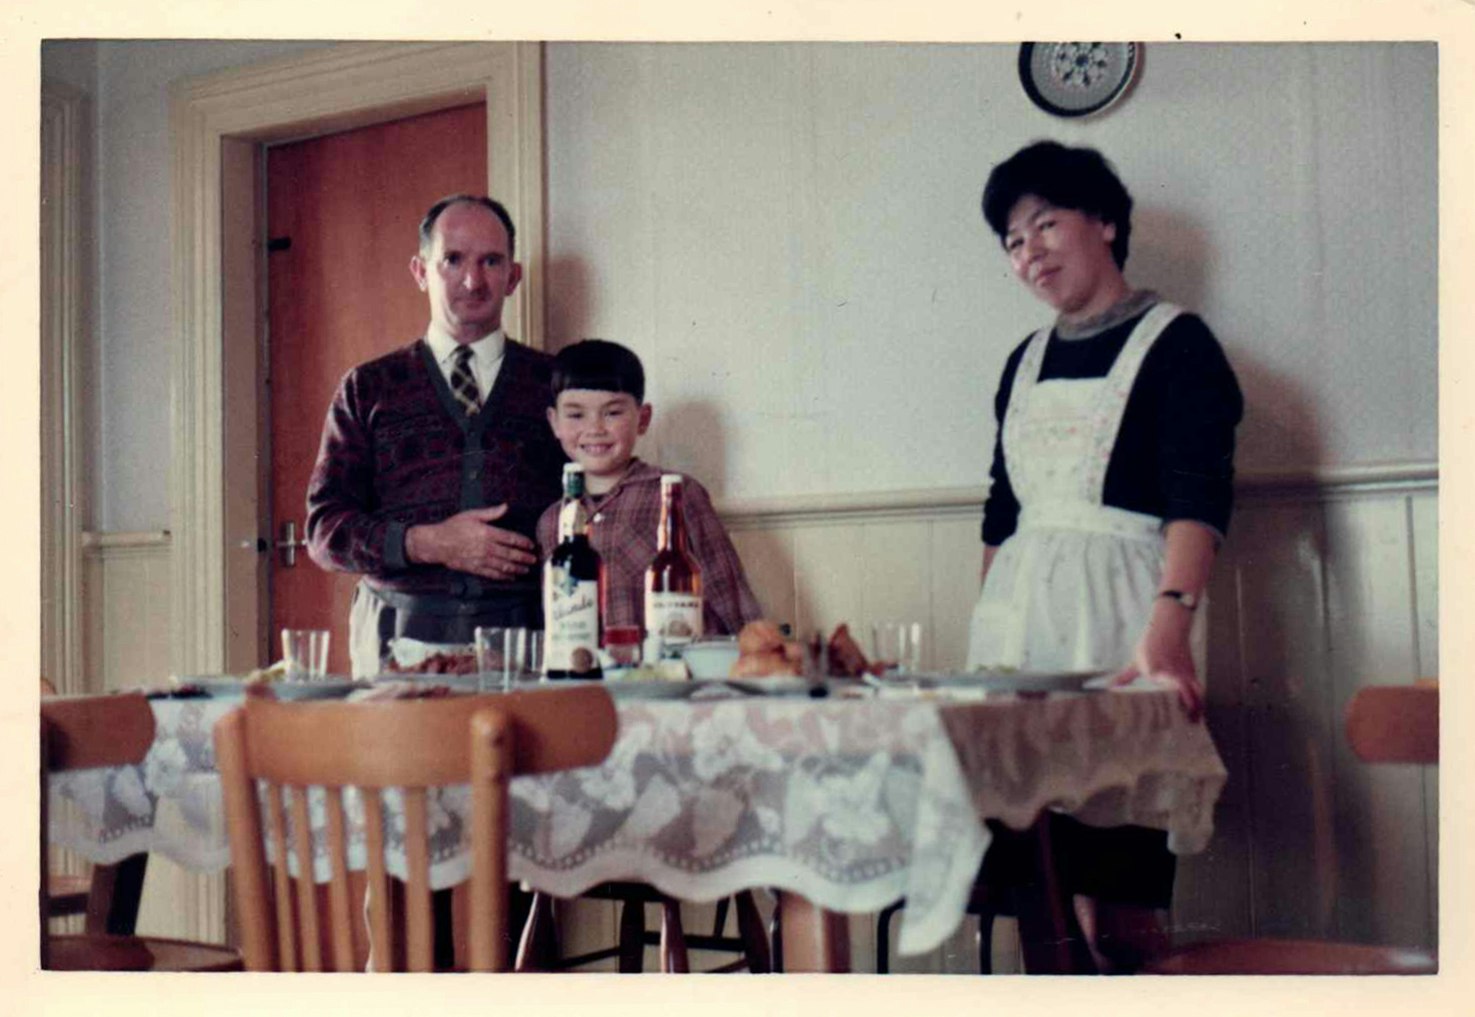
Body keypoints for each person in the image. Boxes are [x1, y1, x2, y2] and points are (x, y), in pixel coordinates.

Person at [966, 141, 1243, 971]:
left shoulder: (1179, 344)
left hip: (1124, 623)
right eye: (1012, 241)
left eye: (1045, 224)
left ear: (1107, 223)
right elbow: (1002, 510)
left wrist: (1169, 627)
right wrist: (987, 636)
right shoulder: (1021, 362)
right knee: (1034, 887)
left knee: (1118, 900)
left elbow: (1199, 495)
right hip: (1018, 637)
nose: (1029, 253)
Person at [306, 195, 567, 677]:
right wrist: (427, 543)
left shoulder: (554, 384)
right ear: (420, 271)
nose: (473, 280)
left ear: (513, 276)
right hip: (395, 638)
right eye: (453, 260)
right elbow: (325, 531)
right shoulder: (367, 387)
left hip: (526, 639)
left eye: (491, 261)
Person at [536, 339, 763, 637]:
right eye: (576, 415)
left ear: (643, 419)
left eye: (612, 413)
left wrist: (756, 655)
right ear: (554, 422)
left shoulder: (678, 495)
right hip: (591, 677)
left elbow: (730, 597)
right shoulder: (552, 522)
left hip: (677, 678)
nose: (595, 429)